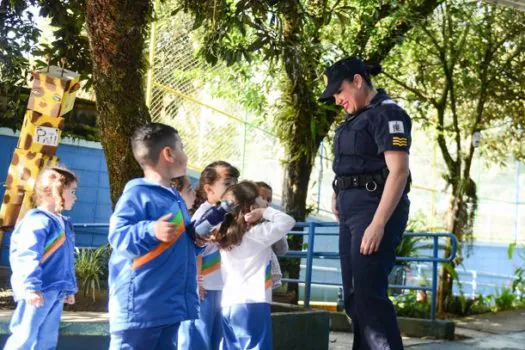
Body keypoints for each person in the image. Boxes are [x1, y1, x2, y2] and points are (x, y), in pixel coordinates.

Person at [319, 57, 411, 349]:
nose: (337, 100)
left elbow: (398, 171)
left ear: (358, 81)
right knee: (354, 297)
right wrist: (340, 190)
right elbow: (356, 164)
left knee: (369, 297)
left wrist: (378, 224)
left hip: (374, 209)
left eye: (339, 91)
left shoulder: (388, 114)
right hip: (351, 211)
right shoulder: (354, 119)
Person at [108, 123, 199, 349]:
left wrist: (196, 243)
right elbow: (118, 236)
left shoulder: (173, 198)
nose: (185, 154)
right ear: (168, 153)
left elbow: (174, 246)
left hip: (168, 306)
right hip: (141, 308)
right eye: (182, 147)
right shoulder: (137, 193)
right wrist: (151, 230)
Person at [212, 181, 295, 349]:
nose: (266, 202)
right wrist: (265, 212)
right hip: (253, 302)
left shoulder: (226, 235)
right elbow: (287, 221)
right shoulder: (257, 234)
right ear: (252, 206)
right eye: (261, 199)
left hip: (229, 303)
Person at [5, 166, 78, 349]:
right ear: (55, 191)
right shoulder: (37, 221)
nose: (75, 197)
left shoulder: (62, 222)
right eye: (72, 191)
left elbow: (65, 260)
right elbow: (27, 255)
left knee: (47, 339)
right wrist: (30, 287)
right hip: (38, 290)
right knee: (24, 336)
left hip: (55, 290)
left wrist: (68, 287)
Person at [178, 161, 240, 350]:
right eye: (228, 183)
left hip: (220, 287)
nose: (234, 188)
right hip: (204, 290)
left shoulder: (227, 214)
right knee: (197, 340)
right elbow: (193, 248)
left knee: (214, 341)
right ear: (209, 188)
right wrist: (197, 282)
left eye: (236, 182)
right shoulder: (205, 214)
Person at [255, 181, 288, 289]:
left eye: (269, 199)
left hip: (266, 275)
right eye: (262, 198)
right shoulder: (240, 222)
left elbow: (282, 250)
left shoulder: (270, 223)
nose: (266, 203)